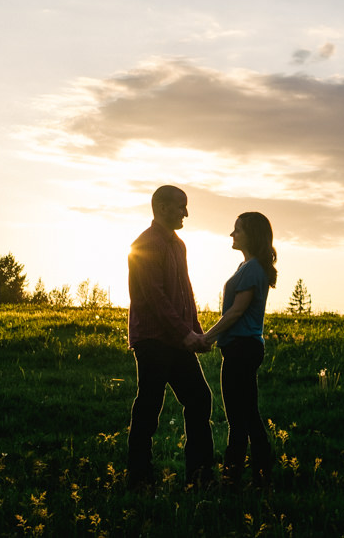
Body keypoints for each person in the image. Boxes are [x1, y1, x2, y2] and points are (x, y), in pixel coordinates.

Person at [126, 185, 213, 490]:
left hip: (176, 339)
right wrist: (184, 333)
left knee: (200, 399)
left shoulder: (179, 245)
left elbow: (184, 293)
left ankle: (200, 475)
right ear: (162, 208)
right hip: (152, 339)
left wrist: (196, 332)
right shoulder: (145, 244)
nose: (186, 213)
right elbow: (155, 298)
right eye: (180, 206)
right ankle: (138, 476)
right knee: (150, 404)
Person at [195, 211, 277, 487]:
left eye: (237, 230)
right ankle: (258, 475)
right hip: (243, 348)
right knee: (247, 414)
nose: (232, 234)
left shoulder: (252, 269)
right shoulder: (248, 267)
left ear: (251, 235)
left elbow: (236, 312)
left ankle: (234, 477)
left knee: (239, 417)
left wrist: (207, 337)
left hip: (242, 349)